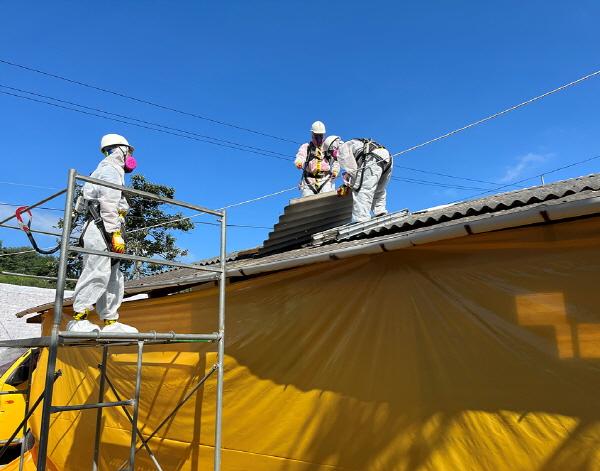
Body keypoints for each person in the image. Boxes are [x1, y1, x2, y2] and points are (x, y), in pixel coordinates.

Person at [67, 134, 139, 334]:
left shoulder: (104, 170)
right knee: (96, 271)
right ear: (120, 150)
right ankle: (78, 319)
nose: (131, 156)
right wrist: (114, 232)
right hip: (102, 226)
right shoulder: (110, 170)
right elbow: (108, 203)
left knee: (113, 275)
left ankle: (110, 322)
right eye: (129, 151)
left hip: (106, 225)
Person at [336, 138, 393, 222]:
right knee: (379, 189)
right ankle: (380, 212)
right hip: (386, 157)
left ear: (332, 148)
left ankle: (361, 219)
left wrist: (348, 185)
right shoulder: (353, 143)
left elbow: (354, 172)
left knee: (361, 189)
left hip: (373, 158)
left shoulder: (341, 149)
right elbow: (358, 170)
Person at [294, 121, 340, 196]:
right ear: (312, 135)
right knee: (308, 203)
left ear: (323, 135)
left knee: (327, 201)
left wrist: (335, 171)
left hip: (325, 180)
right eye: (316, 136)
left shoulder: (328, 147)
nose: (319, 139)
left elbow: (336, 160)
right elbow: (301, 156)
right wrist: (299, 162)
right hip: (309, 181)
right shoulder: (306, 147)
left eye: (320, 136)